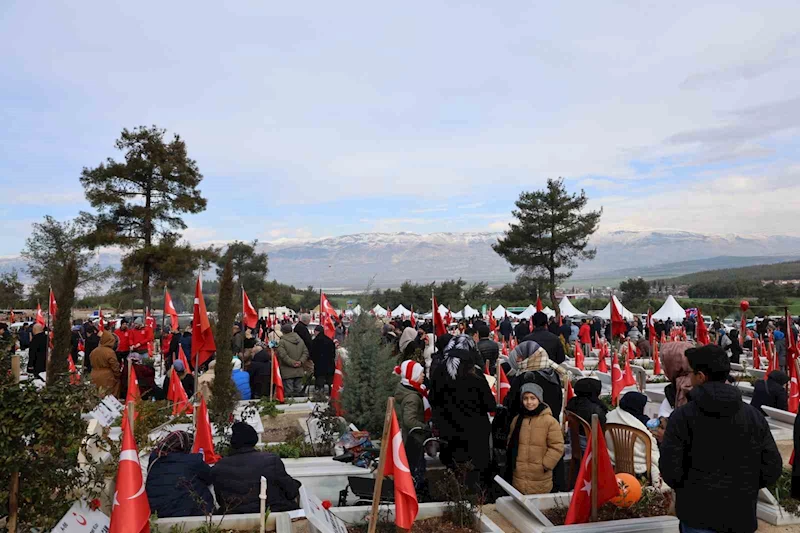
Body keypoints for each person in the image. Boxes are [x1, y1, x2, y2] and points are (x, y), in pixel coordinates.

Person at [659, 344, 782, 533]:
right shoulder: (753, 416)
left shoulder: (682, 417)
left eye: (690, 372)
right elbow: (772, 467)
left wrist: (690, 489)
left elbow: (670, 469)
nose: (688, 377)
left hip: (696, 516)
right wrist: (744, 487)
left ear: (701, 376)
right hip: (740, 515)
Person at [429, 334, 494, 492]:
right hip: (475, 435)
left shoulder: (439, 371)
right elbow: (489, 404)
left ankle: (456, 500)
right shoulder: (475, 373)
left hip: (449, 432)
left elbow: (433, 399)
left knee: (455, 473)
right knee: (474, 476)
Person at [212, 422, 301, 513]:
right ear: (254, 439)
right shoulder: (271, 460)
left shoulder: (219, 467)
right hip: (272, 513)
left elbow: (220, 500)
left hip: (235, 518)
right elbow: (291, 492)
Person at [505, 383, 564, 495]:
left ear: (539, 399)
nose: (529, 402)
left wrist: (546, 464)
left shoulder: (549, 421)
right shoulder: (517, 419)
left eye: (533, 398)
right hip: (519, 474)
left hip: (540, 475)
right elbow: (510, 440)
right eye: (525, 398)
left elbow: (557, 446)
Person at [145, 431, 214, 517]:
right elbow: (210, 477)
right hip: (188, 512)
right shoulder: (193, 460)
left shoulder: (155, 459)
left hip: (157, 512)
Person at [606, 391, 665, 490]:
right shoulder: (639, 428)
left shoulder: (610, 418)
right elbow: (652, 449)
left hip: (614, 464)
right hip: (639, 469)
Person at [394, 360, 430, 497]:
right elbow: (409, 420)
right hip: (414, 438)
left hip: (410, 437)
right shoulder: (413, 397)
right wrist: (425, 427)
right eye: (420, 373)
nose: (423, 376)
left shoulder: (408, 390)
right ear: (413, 375)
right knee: (416, 468)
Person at [565, 377, 607, 453]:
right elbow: (603, 428)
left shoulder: (573, 402)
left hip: (575, 441)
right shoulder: (595, 409)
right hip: (588, 444)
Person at [277, 322, 309, 397]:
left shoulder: (282, 342)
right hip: (299, 370)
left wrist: (292, 363)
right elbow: (305, 352)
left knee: (289, 394)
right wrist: (300, 362)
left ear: (283, 331)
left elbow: (283, 355)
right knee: (298, 392)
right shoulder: (300, 340)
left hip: (287, 371)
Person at [90, 331, 122, 397]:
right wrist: (118, 375)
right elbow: (114, 366)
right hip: (107, 377)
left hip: (94, 375)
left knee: (96, 395)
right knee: (108, 397)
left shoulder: (94, 351)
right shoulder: (110, 352)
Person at [311, 325, 336, 393]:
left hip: (319, 366)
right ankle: (332, 395)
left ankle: (320, 396)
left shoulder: (315, 341)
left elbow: (312, 354)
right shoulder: (330, 341)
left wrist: (315, 361)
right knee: (330, 382)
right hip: (330, 365)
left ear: (317, 331)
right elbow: (333, 353)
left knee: (320, 383)